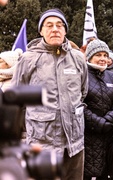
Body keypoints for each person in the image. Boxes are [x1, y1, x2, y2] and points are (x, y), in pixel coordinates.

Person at [11, 8, 88, 180]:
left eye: (59, 25)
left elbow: (83, 92)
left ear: (65, 30)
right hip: (42, 144)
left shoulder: (77, 58)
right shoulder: (28, 59)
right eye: (49, 25)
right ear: (41, 31)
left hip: (74, 145)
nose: (55, 29)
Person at [83, 38, 113, 180]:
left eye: (105, 55)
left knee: (105, 173)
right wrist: (99, 123)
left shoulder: (111, 76)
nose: (103, 59)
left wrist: (108, 120)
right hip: (88, 136)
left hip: (108, 135)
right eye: (98, 55)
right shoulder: (83, 75)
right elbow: (79, 104)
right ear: (90, 56)